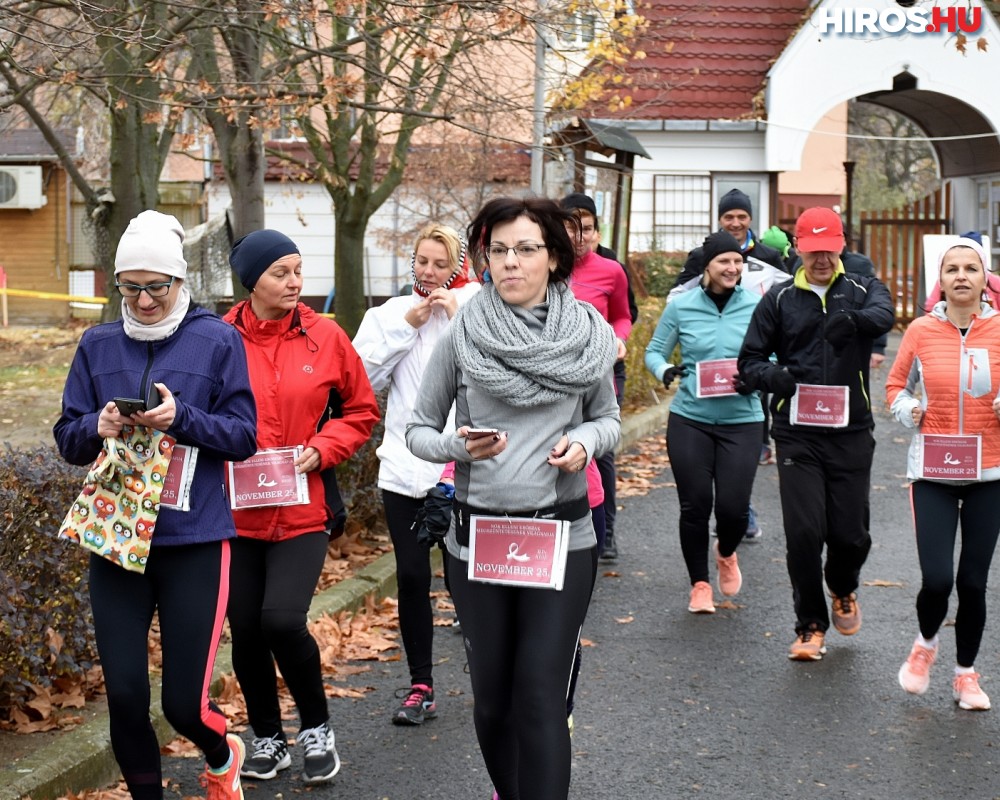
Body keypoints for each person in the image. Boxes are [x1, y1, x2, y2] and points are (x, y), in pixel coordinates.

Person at [405, 196, 620, 800]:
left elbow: (608, 420)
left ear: (554, 257)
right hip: (478, 541)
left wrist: (582, 442)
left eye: (525, 249)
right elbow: (418, 431)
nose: (510, 262)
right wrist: (458, 446)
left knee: (540, 695)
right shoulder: (463, 333)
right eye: (498, 250)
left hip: (562, 537)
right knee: (495, 699)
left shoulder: (587, 334)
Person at [54, 211, 258, 800]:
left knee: (183, 704)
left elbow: (244, 436)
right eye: (130, 287)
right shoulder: (96, 344)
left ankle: (223, 753)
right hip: (117, 540)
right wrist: (98, 423)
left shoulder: (217, 339)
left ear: (179, 282)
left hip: (193, 541)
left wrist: (182, 419)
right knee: (123, 694)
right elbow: (67, 437)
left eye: (156, 287)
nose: (143, 301)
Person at [223, 230, 379, 782]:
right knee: (244, 627)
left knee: (282, 620)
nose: (295, 283)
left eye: (297, 270)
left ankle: (317, 727)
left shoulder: (326, 335)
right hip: (235, 511)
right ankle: (268, 737)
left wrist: (323, 447)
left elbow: (361, 411)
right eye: (280, 273)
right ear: (252, 281)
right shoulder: (217, 339)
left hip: (303, 507)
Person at [736, 206, 895, 661]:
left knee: (850, 536)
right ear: (799, 250)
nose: (821, 259)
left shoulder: (863, 288)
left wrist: (856, 322)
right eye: (811, 251)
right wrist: (774, 377)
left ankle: (843, 587)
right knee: (804, 532)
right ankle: (809, 624)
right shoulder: (781, 299)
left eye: (828, 250)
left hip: (851, 429)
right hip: (797, 432)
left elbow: (884, 314)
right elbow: (749, 361)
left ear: (842, 245)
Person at [352, 223, 480, 725]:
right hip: (404, 469)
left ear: (459, 267)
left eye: (440, 264)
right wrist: (408, 324)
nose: (429, 273)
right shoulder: (386, 315)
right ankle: (420, 683)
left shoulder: (479, 309)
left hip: (465, 470)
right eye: (422, 261)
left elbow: (492, 371)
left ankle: (486, 670)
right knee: (411, 575)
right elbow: (361, 381)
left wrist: (454, 318)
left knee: (464, 579)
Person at [887, 235, 1000, 711]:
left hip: (990, 471)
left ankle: (965, 674)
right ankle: (926, 642)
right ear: (941, 279)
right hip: (932, 468)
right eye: (951, 269)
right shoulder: (919, 331)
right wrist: (907, 408)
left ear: (984, 279)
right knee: (938, 579)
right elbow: (895, 385)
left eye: (970, 269)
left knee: (973, 582)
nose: (960, 276)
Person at [645, 232, 763, 613]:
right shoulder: (682, 306)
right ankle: (699, 584)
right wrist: (664, 370)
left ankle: (726, 552)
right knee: (695, 505)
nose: (732, 268)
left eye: (737, 262)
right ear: (707, 267)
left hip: (743, 419)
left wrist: (758, 376)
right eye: (723, 262)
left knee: (733, 509)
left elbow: (776, 356)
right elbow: (654, 352)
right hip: (691, 419)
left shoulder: (758, 305)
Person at [676, 189, 784, 535]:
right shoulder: (702, 255)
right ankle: (730, 509)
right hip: (710, 363)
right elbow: (678, 295)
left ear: (750, 219)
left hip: (753, 357)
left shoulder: (769, 256)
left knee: (747, 432)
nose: (735, 222)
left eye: (741, 216)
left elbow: (787, 296)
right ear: (720, 219)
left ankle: (741, 509)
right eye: (729, 217)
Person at [561, 192, 633, 561]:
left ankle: (604, 528)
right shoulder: (546, 266)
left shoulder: (611, 270)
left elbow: (623, 314)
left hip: (602, 372)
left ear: (596, 231)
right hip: (554, 375)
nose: (579, 237)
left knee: (598, 449)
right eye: (571, 228)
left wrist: (619, 340)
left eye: (587, 229)